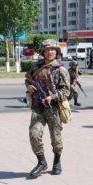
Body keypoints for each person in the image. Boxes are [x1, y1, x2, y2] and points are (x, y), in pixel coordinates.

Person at [25, 39, 70, 178]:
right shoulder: (36, 66)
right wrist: (29, 87)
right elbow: (27, 79)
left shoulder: (60, 69)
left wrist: (53, 97)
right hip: (38, 107)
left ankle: (57, 161)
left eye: (53, 49)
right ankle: (41, 162)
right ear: (43, 52)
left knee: (55, 138)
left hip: (53, 108)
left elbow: (66, 91)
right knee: (34, 135)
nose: (50, 52)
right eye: (47, 50)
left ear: (56, 52)